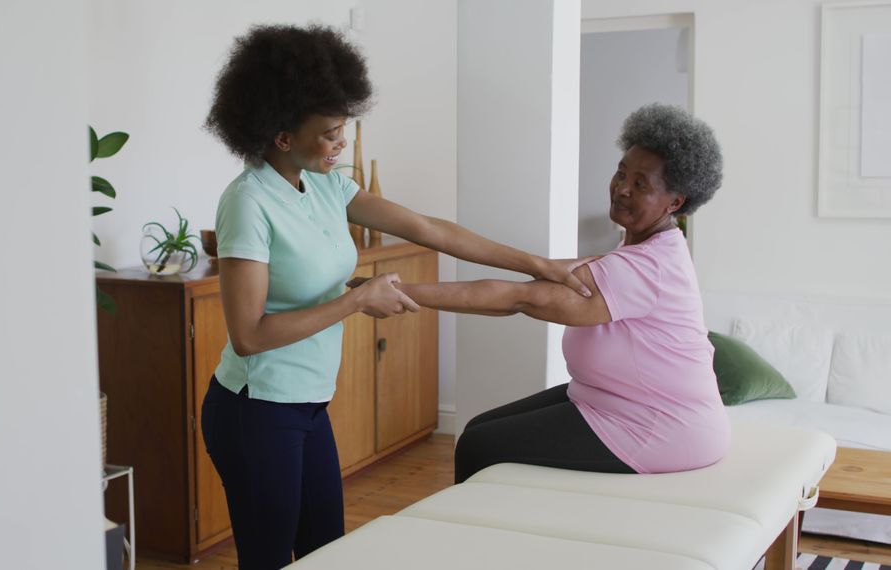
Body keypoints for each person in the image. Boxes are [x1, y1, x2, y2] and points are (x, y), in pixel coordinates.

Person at [200, 24, 590, 569]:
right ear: (282, 136)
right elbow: (248, 336)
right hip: (256, 411)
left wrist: (537, 263)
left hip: (308, 405)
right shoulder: (248, 203)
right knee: (268, 560)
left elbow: (431, 230)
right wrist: (356, 301)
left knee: (326, 552)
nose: (342, 142)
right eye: (331, 132)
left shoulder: (327, 186)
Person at [370, 103, 729, 483]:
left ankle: (485, 539)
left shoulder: (647, 267)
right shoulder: (645, 250)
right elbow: (528, 291)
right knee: (476, 429)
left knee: (480, 446)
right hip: (609, 399)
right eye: (621, 173)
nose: (622, 188)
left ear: (675, 203)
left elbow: (518, 298)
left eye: (641, 184)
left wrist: (399, 290)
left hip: (661, 427)